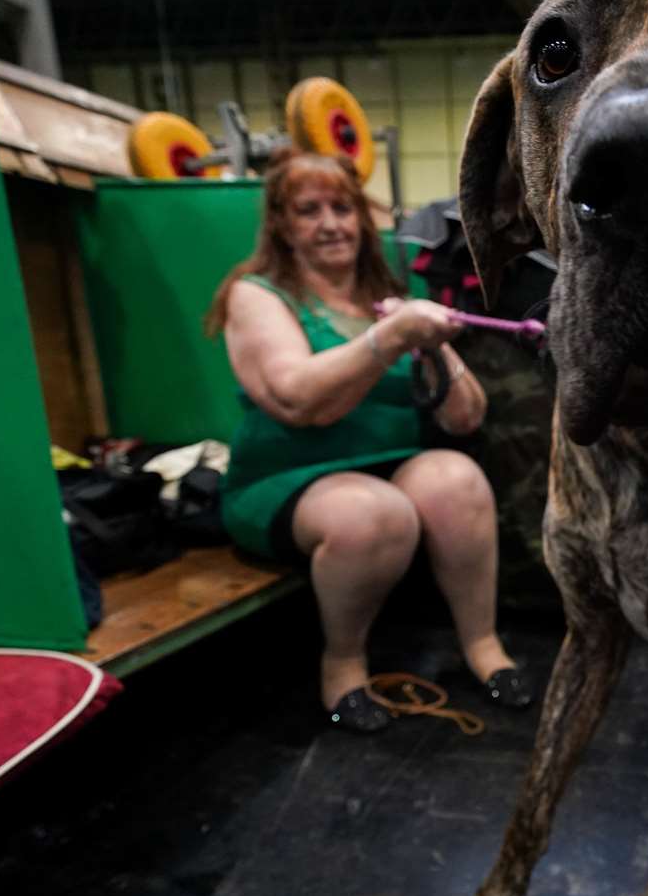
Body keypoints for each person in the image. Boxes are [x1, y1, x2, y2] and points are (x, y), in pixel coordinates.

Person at [208, 150, 534, 733]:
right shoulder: (255, 294)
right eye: (309, 211)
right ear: (282, 225)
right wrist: (389, 339)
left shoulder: (390, 295)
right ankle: (344, 663)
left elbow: (468, 416)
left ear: (362, 218)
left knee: (458, 481)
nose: (330, 224)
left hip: (388, 466)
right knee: (372, 514)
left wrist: (432, 343)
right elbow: (297, 399)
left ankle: (483, 645)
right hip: (289, 479)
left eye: (342, 208)